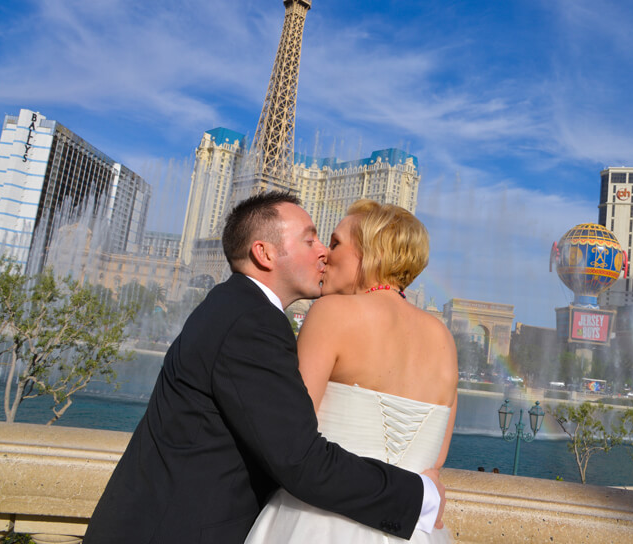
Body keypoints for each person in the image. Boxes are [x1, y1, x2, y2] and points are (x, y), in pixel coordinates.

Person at [84, 192, 442, 544]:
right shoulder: (251, 321)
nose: (323, 251)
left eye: (328, 241)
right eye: (310, 239)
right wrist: (420, 496)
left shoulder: (237, 308)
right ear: (265, 253)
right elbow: (299, 458)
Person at [245, 199, 458, 543]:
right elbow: (436, 458)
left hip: (317, 523)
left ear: (370, 252)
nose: (325, 255)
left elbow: (291, 437)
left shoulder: (332, 313)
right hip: (410, 530)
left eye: (335, 242)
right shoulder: (444, 340)